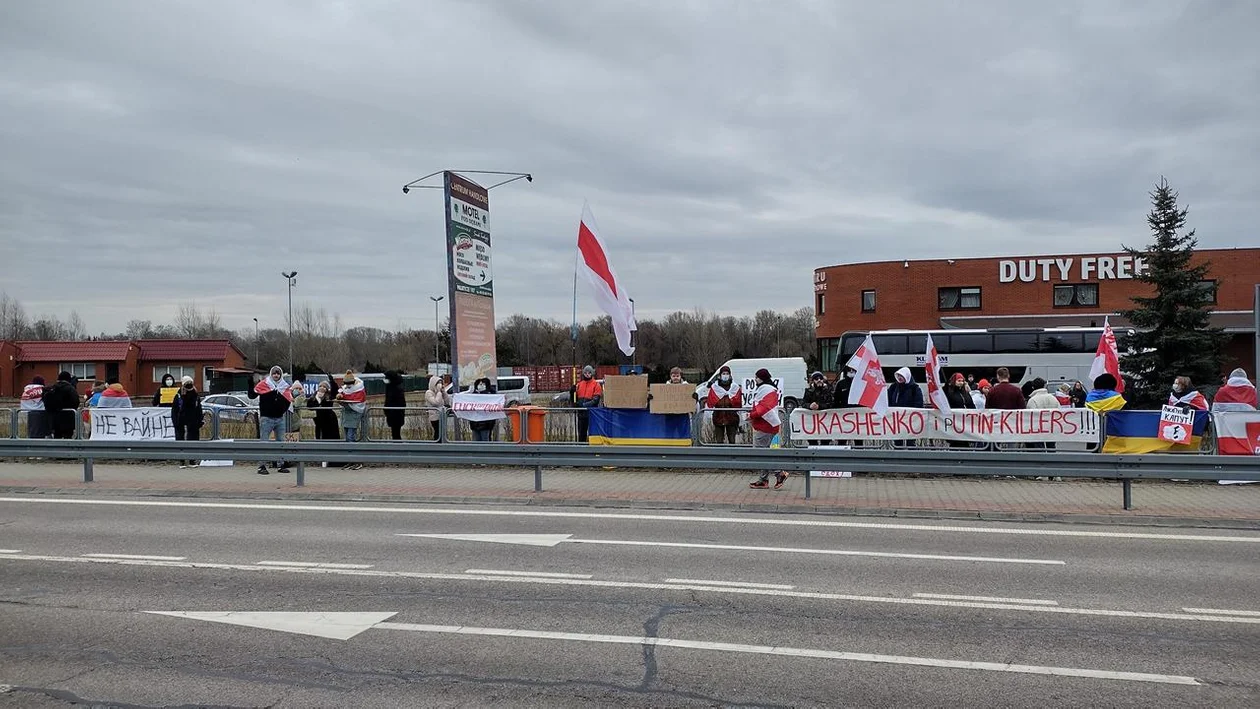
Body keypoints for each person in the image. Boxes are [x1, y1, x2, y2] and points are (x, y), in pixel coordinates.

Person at [249, 366, 294, 475]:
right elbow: (252, 396)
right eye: (274, 373)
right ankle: (262, 466)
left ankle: (281, 464)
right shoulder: (264, 384)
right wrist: (250, 384)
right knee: (264, 442)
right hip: (266, 418)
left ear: (281, 375)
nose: (276, 375)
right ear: (271, 374)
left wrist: (282, 410)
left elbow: (288, 400)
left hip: (279, 418)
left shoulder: (284, 387)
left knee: (281, 443)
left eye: (278, 373)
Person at [747, 368, 787, 490]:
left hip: (766, 425)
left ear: (762, 378)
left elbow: (763, 408)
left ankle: (779, 473)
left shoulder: (767, 390)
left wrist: (751, 415)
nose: (755, 380)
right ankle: (763, 480)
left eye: (757, 377)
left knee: (761, 454)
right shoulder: (767, 389)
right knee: (763, 452)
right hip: (765, 425)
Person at [307, 379, 342, 467]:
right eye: (320, 386)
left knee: (331, 441)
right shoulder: (314, 396)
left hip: (330, 422)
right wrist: (317, 400)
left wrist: (331, 381)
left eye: (324, 387)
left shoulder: (329, 396)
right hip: (319, 422)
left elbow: (335, 390)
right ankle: (322, 461)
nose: (322, 388)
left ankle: (333, 461)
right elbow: (309, 406)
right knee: (320, 440)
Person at [337, 370, 367, 469]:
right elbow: (343, 395)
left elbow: (358, 401)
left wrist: (344, 401)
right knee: (347, 438)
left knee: (351, 438)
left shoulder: (359, 389)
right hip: (347, 414)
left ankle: (356, 460)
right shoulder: (345, 389)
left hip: (354, 413)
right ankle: (350, 460)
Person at [171, 376, 203, 468]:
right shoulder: (179, 395)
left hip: (193, 421)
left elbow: (198, 409)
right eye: (186, 383)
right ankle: (181, 461)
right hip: (180, 421)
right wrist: (175, 422)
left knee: (193, 440)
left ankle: (192, 460)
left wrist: (199, 420)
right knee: (180, 439)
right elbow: (174, 410)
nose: (189, 385)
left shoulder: (195, 395)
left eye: (190, 383)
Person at [706, 365, 742, 444]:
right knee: (719, 440)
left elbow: (738, 403)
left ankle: (732, 456)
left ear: (730, 375)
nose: (725, 375)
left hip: (731, 418)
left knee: (732, 440)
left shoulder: (735, 388)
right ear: (720, 375)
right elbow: (711, 401)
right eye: (723, 373)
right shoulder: (715, 387)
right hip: (718, 417)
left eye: (727, 373)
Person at [42, 372, 81, 439]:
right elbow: (76, 402)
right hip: (68, 418)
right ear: (68, 379)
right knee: (68, 438)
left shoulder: (53, 388)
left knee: (57, 437)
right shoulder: (70, 388)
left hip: (54, 419)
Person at [572, 365, 603, 443]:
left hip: (591, 413)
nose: (587, 374)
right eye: (585, 373)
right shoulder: (579, 385)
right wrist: (571, 393)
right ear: (583, 373)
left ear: (592, 373)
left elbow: (595, 400)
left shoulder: (596, 385)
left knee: (592, 434)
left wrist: (583, 405)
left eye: (589, 373)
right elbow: (574, 399)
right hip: (581, 414)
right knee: (581, 434)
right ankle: (581, 449)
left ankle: (592, 450)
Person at [468, 377, 498, 442]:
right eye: (479, 384)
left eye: (482, 384)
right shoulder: (473, 395)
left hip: (486, 423)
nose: (481, 386)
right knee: (476, 441)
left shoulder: (491, 394)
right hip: (475, 423)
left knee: (485, 440)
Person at [383, 370, 407, 440]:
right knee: (395, 433)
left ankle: (398, 448)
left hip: (396, 414)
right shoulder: (390, 387)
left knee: (396, 433)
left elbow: (400, 403)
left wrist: (390, 411)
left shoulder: (397, 389)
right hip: (391, 413)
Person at [424, 375, 449, 441]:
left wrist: (443, 392)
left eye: (441, 383)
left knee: (442, 432)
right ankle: (437, 445)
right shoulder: (429, 393)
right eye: (438, 383)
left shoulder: (440, 393)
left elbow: (447, 401)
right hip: (435, 417)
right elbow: (436, 402)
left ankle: (443, 445)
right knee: (438, 432)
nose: (440, 384)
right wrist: (438, 392)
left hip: (442, 416)